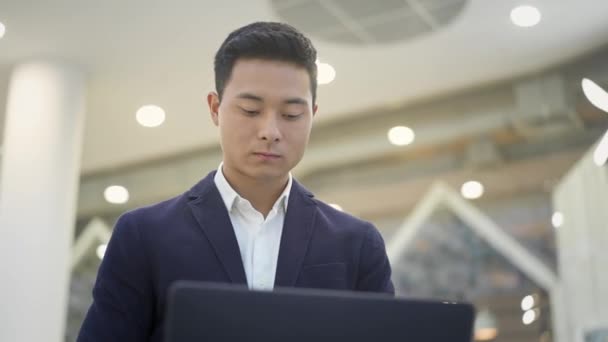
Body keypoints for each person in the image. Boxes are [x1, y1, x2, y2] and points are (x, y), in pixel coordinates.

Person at [77, 21, 394, 342]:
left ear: (312, 114)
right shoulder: (144, 235)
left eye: (292, 115)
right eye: (250, 109)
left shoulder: (356, 244)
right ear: (215, 108)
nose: (270, 131)